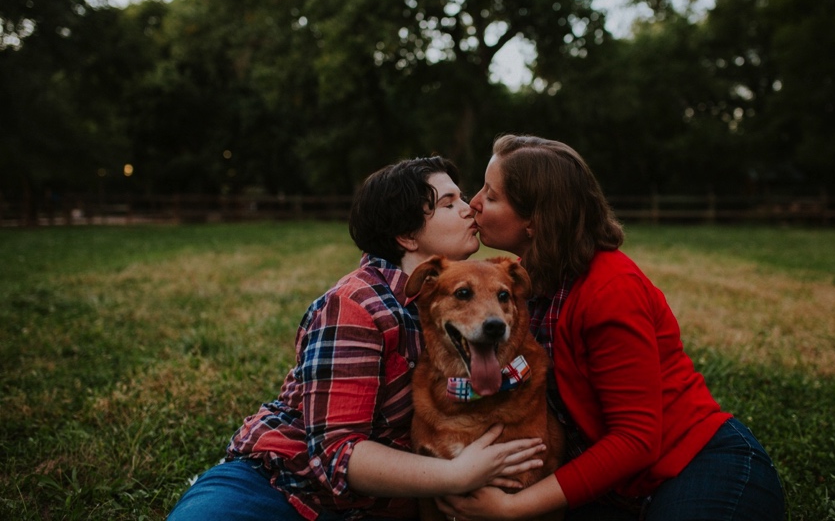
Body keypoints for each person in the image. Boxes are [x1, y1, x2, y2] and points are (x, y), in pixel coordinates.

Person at [168, 156, 547, 521]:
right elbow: (336, 450)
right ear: (406, 235)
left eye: (462, 198)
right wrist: (459, 474)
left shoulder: (456, 299)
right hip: (282, 485)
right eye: (449, 203)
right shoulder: (356, 305)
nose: (470, 208)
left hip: (382, 505)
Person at [441, 135, 785, 521]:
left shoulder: (610, 288)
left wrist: (513, 507)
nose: (474, 203)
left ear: (535, 220)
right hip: (612, 490)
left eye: (491, 195)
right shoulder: (519, 282)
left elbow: (636, 438)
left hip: (699, 466)